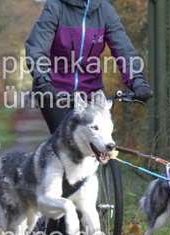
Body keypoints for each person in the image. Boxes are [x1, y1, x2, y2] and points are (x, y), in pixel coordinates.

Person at [26, 0, 152, 134]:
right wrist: (43, 81)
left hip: (92, 91)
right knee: (67, 142)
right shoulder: (56, 7)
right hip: (55, 91)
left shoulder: (104, 10)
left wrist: (137, 80)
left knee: (100, 140)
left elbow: (124, 49)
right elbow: (37, 47)